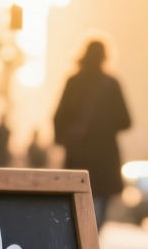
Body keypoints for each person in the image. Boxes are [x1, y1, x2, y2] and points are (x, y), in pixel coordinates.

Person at [54, 38, 133, 227]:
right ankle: (94, 239)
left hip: (78, 154)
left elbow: (58, 117)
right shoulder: (112, 84)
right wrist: (104, 126)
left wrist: (64, 140)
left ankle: (80, 237)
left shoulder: (73, 82)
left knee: (77, 197)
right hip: (104, 154)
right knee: (101, 199)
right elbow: (126, 121)